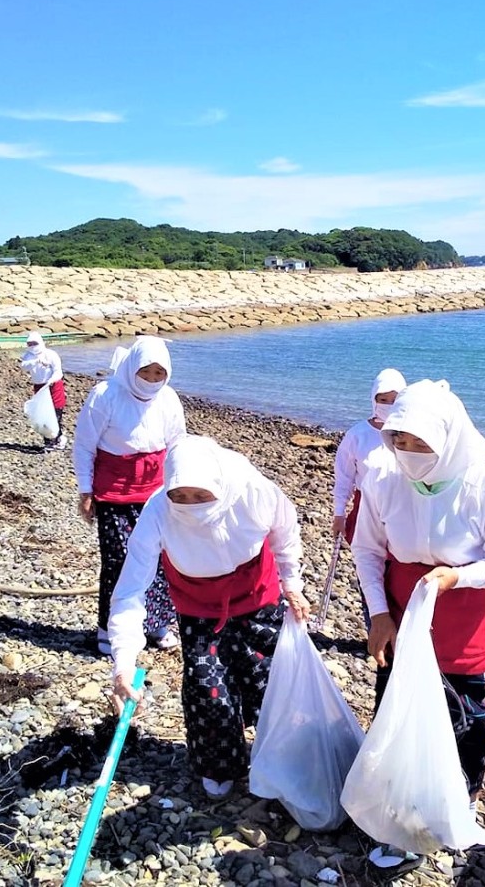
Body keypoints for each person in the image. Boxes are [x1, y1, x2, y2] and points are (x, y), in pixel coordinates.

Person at [351, 378, 485, 870]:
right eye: (399, 438)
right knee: (398, 705)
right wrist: (379, 614)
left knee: (463, 711)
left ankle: (457, 799)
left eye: (419, 441)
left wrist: (455, 577)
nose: (406, 450)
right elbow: (367, 549)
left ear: (448, 438)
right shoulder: (382, 474)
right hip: (402, 609)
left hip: (460, 611)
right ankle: (401, 810)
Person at [107, 434, 312, 799]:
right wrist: (123, 662)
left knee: (270, 681)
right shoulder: (158, 512)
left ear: (217, 486)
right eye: (180, 496)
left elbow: (286, 529)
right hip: (198, 606)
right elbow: (129, 591)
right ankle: (221, 764)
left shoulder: (252, 490)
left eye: (200, 496)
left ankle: (281, 756)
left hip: (257, 596)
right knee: (208, 685)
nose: (190, 504)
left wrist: (292, 582)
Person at [73, 337, 186, 656]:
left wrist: (181, 488)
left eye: (157, 374)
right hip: (114, 495)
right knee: (119, 562)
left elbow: (178, 445)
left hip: (157, 493)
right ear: (132, 368)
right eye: (145, 372)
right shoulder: (106, 395)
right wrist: (85, 490)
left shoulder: (169, 400)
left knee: (162, 560)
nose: (151, 380)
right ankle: (111, 629)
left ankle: (157, 624)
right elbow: (84, 446)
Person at [332, 368, 405, 544]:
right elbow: (344, 478)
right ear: (374, 400)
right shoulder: (357, 435)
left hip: (402, 510)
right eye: (383, 400)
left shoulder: (411, 435)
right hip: (366, 509)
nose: (388, 405)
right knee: (367, 562)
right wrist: (339, 514)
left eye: (394, 400)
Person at [19, 333, 67, 451]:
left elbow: (58, 372)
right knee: (43, 415)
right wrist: (35, 361)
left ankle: (58, 438)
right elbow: (24, 366)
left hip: (53, 386)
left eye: (34, 343)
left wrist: (51, 381)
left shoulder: (51, 354)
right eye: (30, 344)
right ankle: (48, 442)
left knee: (55, 414)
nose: (32, 346)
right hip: (40, 387)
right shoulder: (28, 356)